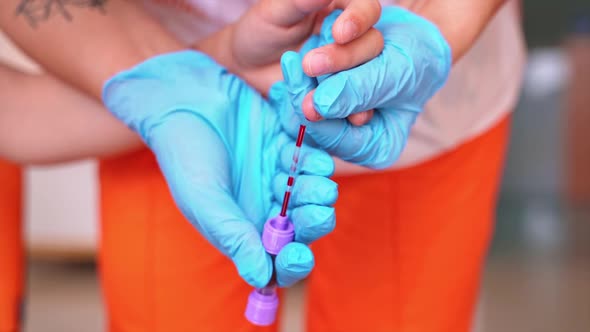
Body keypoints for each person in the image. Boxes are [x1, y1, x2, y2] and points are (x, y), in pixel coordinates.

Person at [0, 1, 526, 332]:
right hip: (147, 74)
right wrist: (178, 82)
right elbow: (17, 115)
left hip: (437, 114)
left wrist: (449, 18)